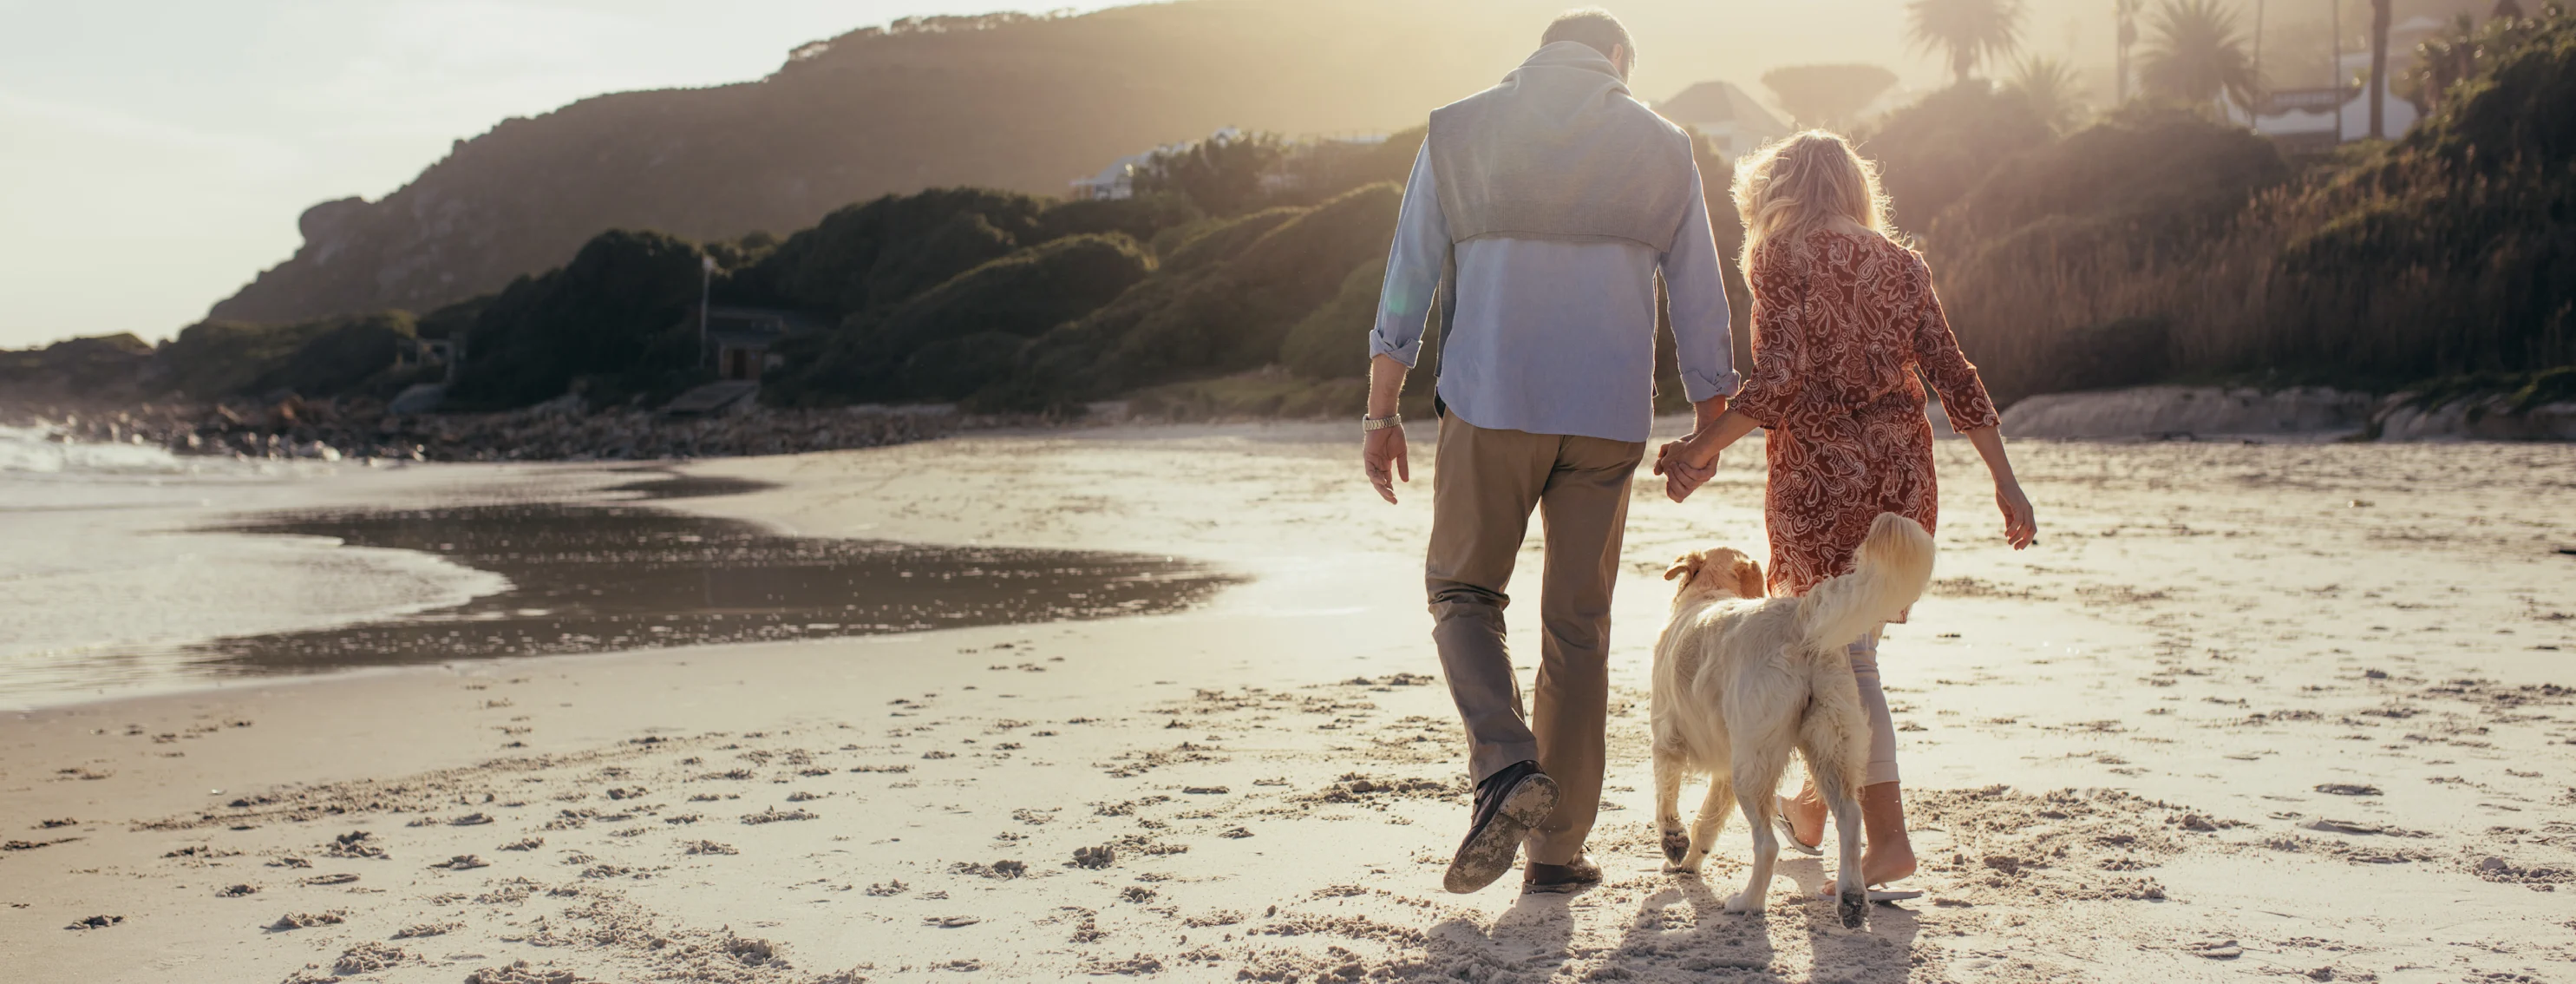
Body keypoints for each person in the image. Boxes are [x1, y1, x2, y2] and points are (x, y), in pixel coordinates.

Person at [1359, 9, 1739, 895]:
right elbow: (1700, 296)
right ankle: (1558, 853)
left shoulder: (1458, 131)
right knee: (1578, 627)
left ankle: (1502, 766)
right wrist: (1709, 425)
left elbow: (1409, 273)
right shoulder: (1665, 144)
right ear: (1616, 59)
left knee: (1462, 590)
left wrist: (1383, 410)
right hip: (1607, 419)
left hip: (1494, 401)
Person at [1656, 130, 2037, 894]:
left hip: (1822, 483)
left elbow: (1780, 380)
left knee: (1846, 657)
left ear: (1777, 192)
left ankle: (1889, 841)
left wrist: (1702, 446)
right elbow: (1956, 378)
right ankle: (1812, 805)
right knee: (1837, 648)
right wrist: (2006, 480)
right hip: (1902, 482)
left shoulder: (1781, 252)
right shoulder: (1902, 263)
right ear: (1855, 189)